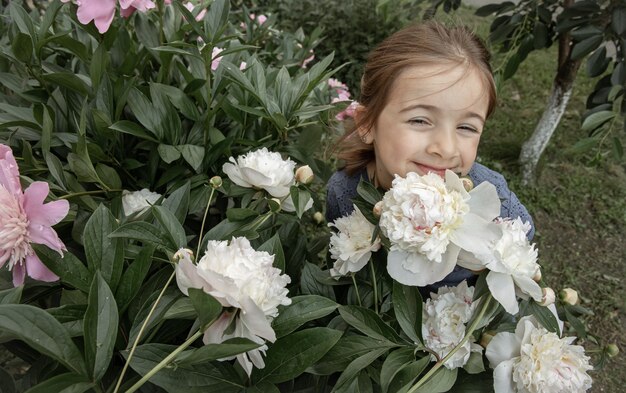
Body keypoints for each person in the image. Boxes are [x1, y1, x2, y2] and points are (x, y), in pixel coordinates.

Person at [326, 21, 534, 292]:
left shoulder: (496, 207)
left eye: (466, 127)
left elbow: (520, 249)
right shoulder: (344, 192)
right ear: (367, 124)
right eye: (420, 120)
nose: (446, 149)